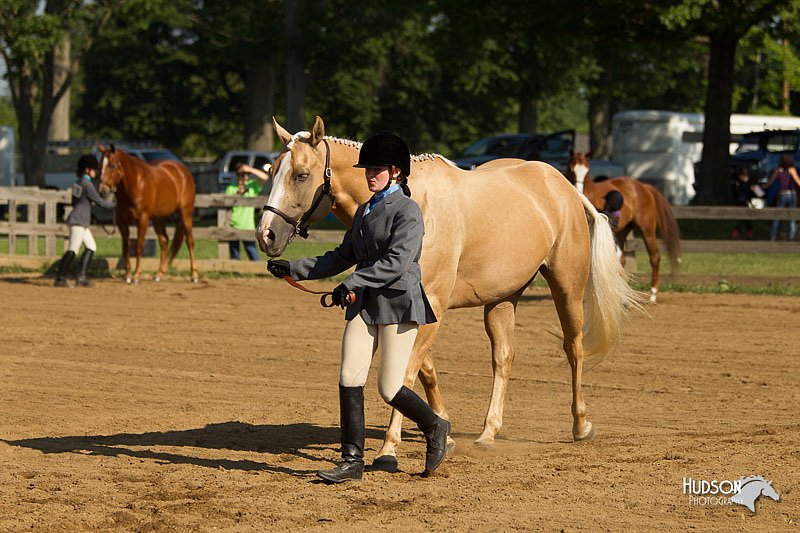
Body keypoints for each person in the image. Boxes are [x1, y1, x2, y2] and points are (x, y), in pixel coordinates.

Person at [266, 132, 449, 483]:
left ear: (396, 172)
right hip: (364, 304)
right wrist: (294, 267)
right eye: (367, 169)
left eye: (376, 169)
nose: (369, 175)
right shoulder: (365, 210)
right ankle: (352, 461)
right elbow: (342, 256)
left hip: (398, 304)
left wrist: (352, 283)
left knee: (389, 388)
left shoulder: (409, 211)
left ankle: (435, 425)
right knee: (349, 377)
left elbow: (397, 262)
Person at [54, 154, 115, 288]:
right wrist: (117, 204)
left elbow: (76, 202)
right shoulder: (87, 184)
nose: (96, 172)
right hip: (79, 222)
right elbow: (100, 202)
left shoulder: (77, 183)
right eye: (94, 169)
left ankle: (81, 277)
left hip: (79, 220)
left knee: (91, 246)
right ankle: (60, 278)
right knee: (73, 249)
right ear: (87, 170)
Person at [226, 163, 269, 260]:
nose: (243, 176)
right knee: (234, 256)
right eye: (240, 174)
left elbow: (265, 178)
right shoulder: (231, 188)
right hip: (233, 225)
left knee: (252, 253)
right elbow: (226, 205)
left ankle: (258, 271)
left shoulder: (252, 185)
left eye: (245, 174)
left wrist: (249, 169)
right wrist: (236, 195)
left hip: (248, 225)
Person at [763, 152, 800, 241]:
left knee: (777, 216)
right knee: (792, 217)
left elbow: (770, 183)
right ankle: (791, 237)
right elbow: (798, 182)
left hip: (782, 193)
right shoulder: (792, 170)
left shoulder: (778, 170)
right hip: (792, 194)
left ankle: (773, 236)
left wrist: (763, 186)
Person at [731, 168, 754, 240]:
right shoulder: (741, 184)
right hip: (741, 203)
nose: (746, 178)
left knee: (745, 222)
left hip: (744, 204)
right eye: (744, 176)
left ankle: (747, 235)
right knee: (742, 221)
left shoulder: (743, 184)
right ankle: (739, 235)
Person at [602, 189, 624, 255]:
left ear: (611, 204)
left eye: (606, 202)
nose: (605, 204)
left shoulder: (610, 219)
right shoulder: (616, 216)